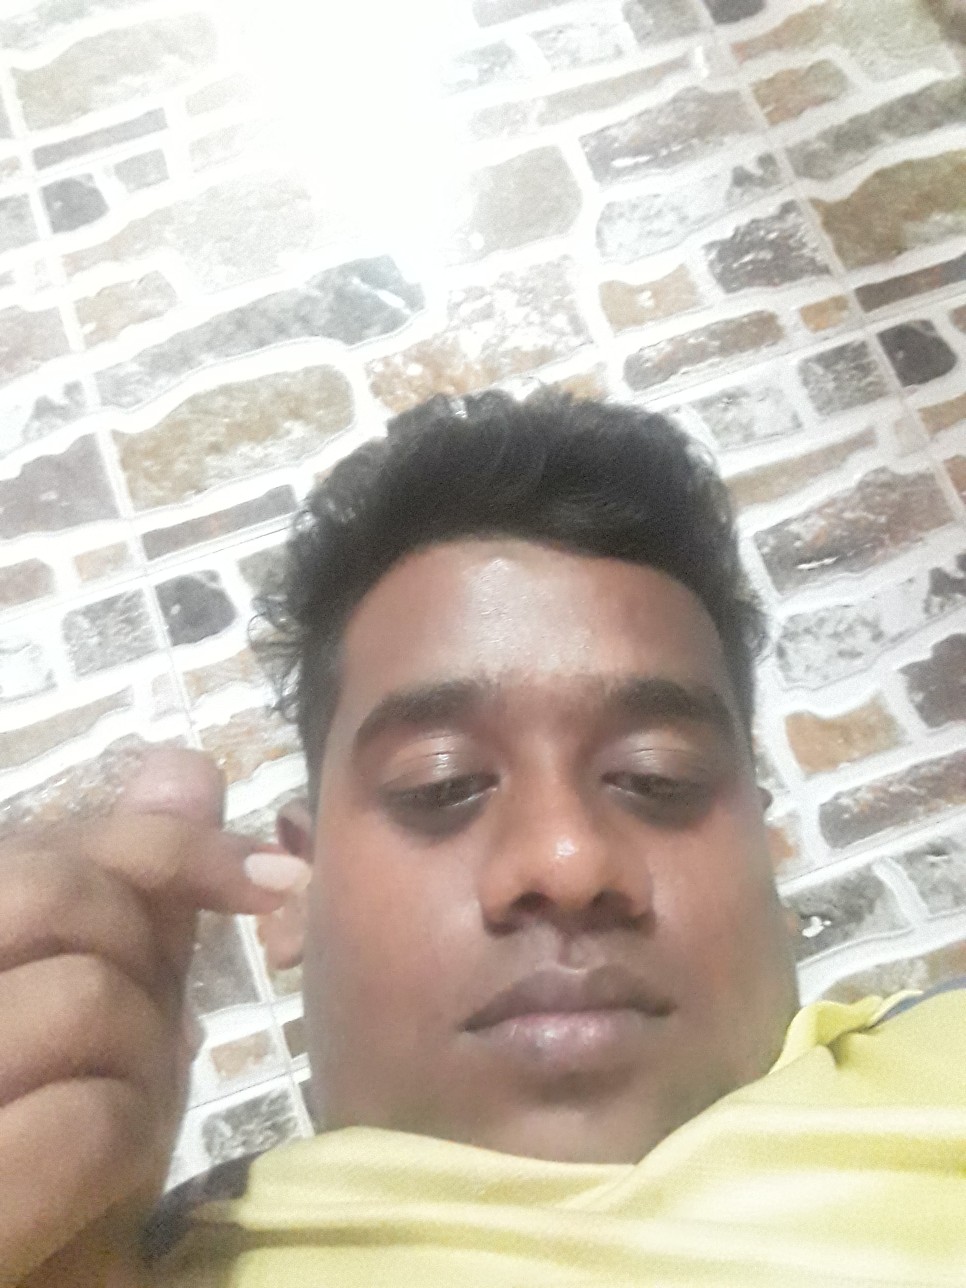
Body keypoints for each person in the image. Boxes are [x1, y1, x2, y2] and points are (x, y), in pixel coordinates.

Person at [1, 390, 963, 1288]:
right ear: (295, 885)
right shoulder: (78, 1255)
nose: (567, 861)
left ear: (766, 845)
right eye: (442, 784)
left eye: (656, 776)